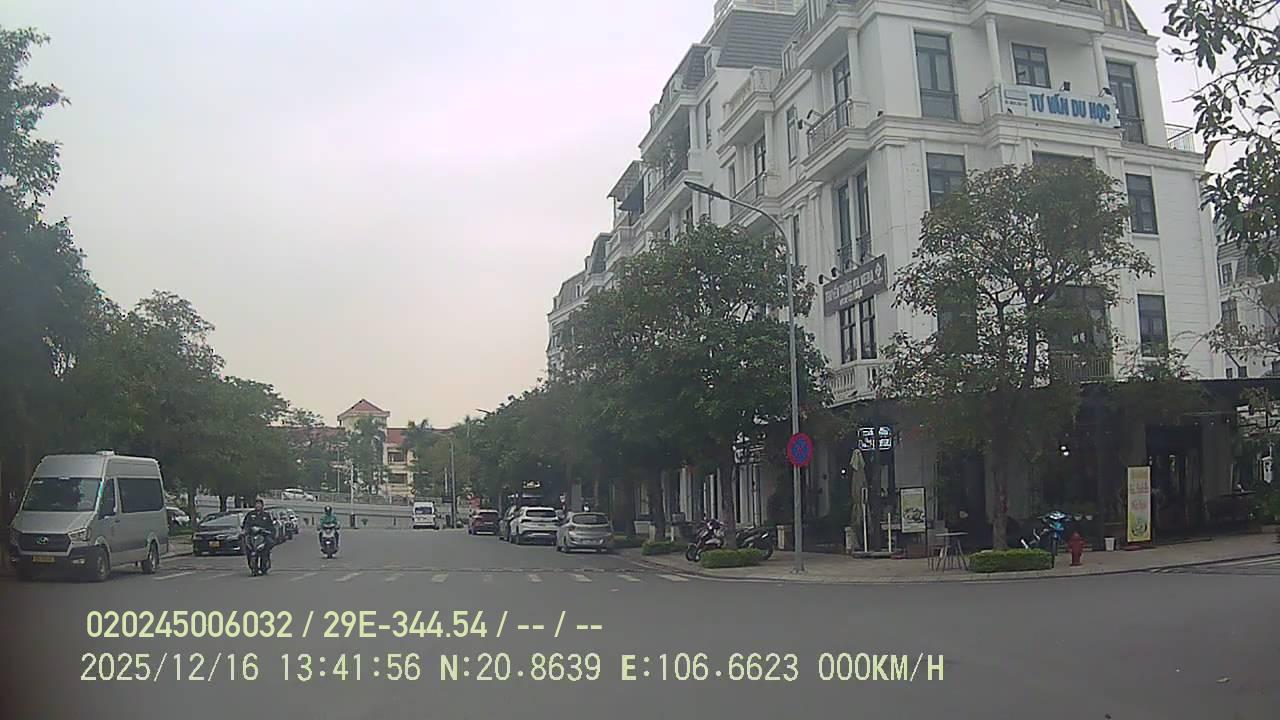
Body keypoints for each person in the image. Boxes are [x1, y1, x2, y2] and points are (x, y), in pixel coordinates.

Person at [241, 498, 277, 568]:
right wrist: (246, 530)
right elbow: (246, 524)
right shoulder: (250, 514)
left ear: (262, 506)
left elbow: (270, 526)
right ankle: (252, 564)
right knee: (247, 545)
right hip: (252, 535)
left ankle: (265, 562)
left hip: (263, 535)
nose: (258, 506)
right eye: (257, 504)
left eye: (259, 504)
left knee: (268, 543)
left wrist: (268, 531)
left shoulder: (266, 515)